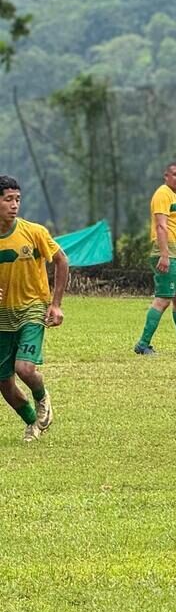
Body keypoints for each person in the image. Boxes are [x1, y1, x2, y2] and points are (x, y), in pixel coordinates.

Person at [0, 175, 69, 442]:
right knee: (4, 382)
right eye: (8, 200)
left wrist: (56, 304)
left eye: (17, 199)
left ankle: (42, 397)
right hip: (3, 316)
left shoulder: (34, 232)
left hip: (32, 308)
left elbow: (62, 261)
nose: (14, 205)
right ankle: (32, 421)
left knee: (25, 369)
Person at [134, 162, 176, 355]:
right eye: (175, 174)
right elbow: (161, 226)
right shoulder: (163, 194)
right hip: (167, 255)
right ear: (166, 176)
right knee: (163, 299)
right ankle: (143, 344)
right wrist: (164, 255)